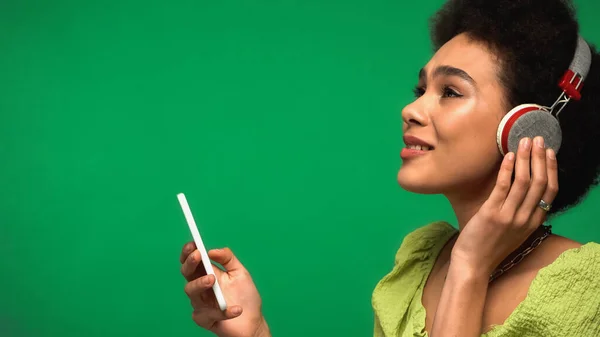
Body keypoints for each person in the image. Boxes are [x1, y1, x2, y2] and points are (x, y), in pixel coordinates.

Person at [179, 0, 600, 336]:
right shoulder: (419, 262)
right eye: (421, 89)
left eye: (450, 91)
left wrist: (470, 267)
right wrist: (254, 331)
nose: (411, 109)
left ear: (531, 129)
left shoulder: (587, 292)